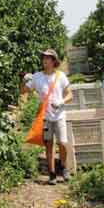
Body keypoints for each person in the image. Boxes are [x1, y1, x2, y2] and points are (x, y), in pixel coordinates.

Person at [22, 49, 73, 185]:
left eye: (48, 58)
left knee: (62, 142)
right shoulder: (37, 76)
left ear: (54, 61)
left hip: (60, 115)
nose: (45, 60)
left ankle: (63, 167)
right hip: (45, 116)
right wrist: (24, 80)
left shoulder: (61, 76)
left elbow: (70, 95)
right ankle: (52, 174)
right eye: (44, 58)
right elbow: (24, 91)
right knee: (48, 145)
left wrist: (61, 101)